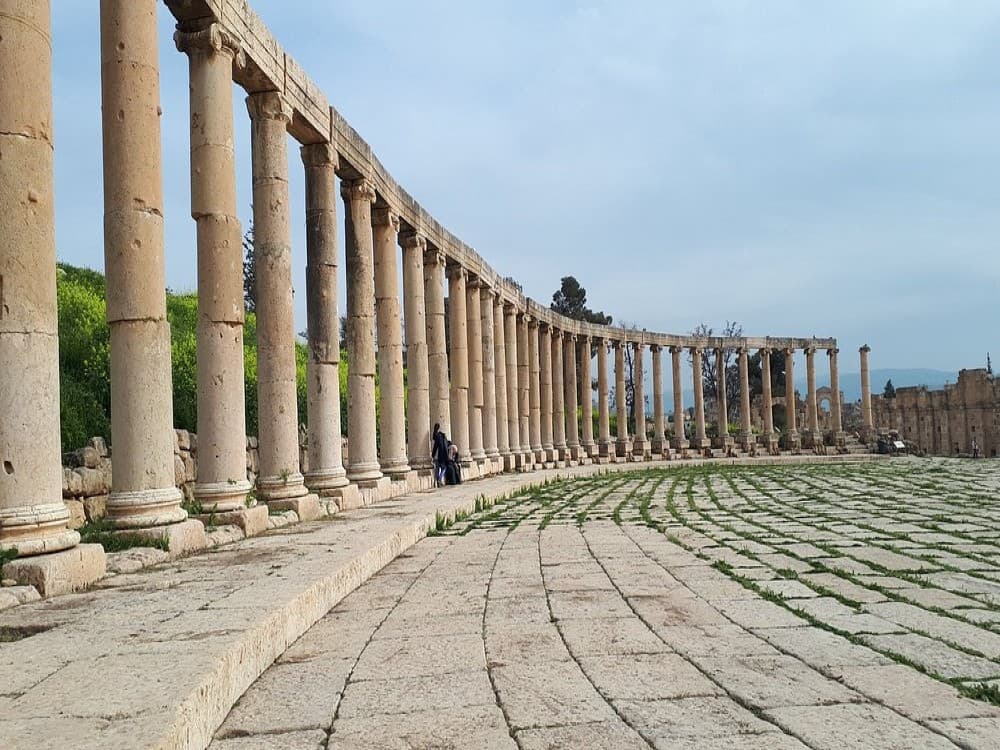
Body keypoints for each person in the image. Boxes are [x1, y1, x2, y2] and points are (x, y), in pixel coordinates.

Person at [431, 423, 449, 487]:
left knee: (437, 468)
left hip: (437, 456)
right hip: (442, 456)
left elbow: (435, 447)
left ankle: (438, 480)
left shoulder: (436, 435)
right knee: (444, 468)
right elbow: (445, 447)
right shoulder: (442, 436)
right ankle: (439, 479)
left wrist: (432, 455)